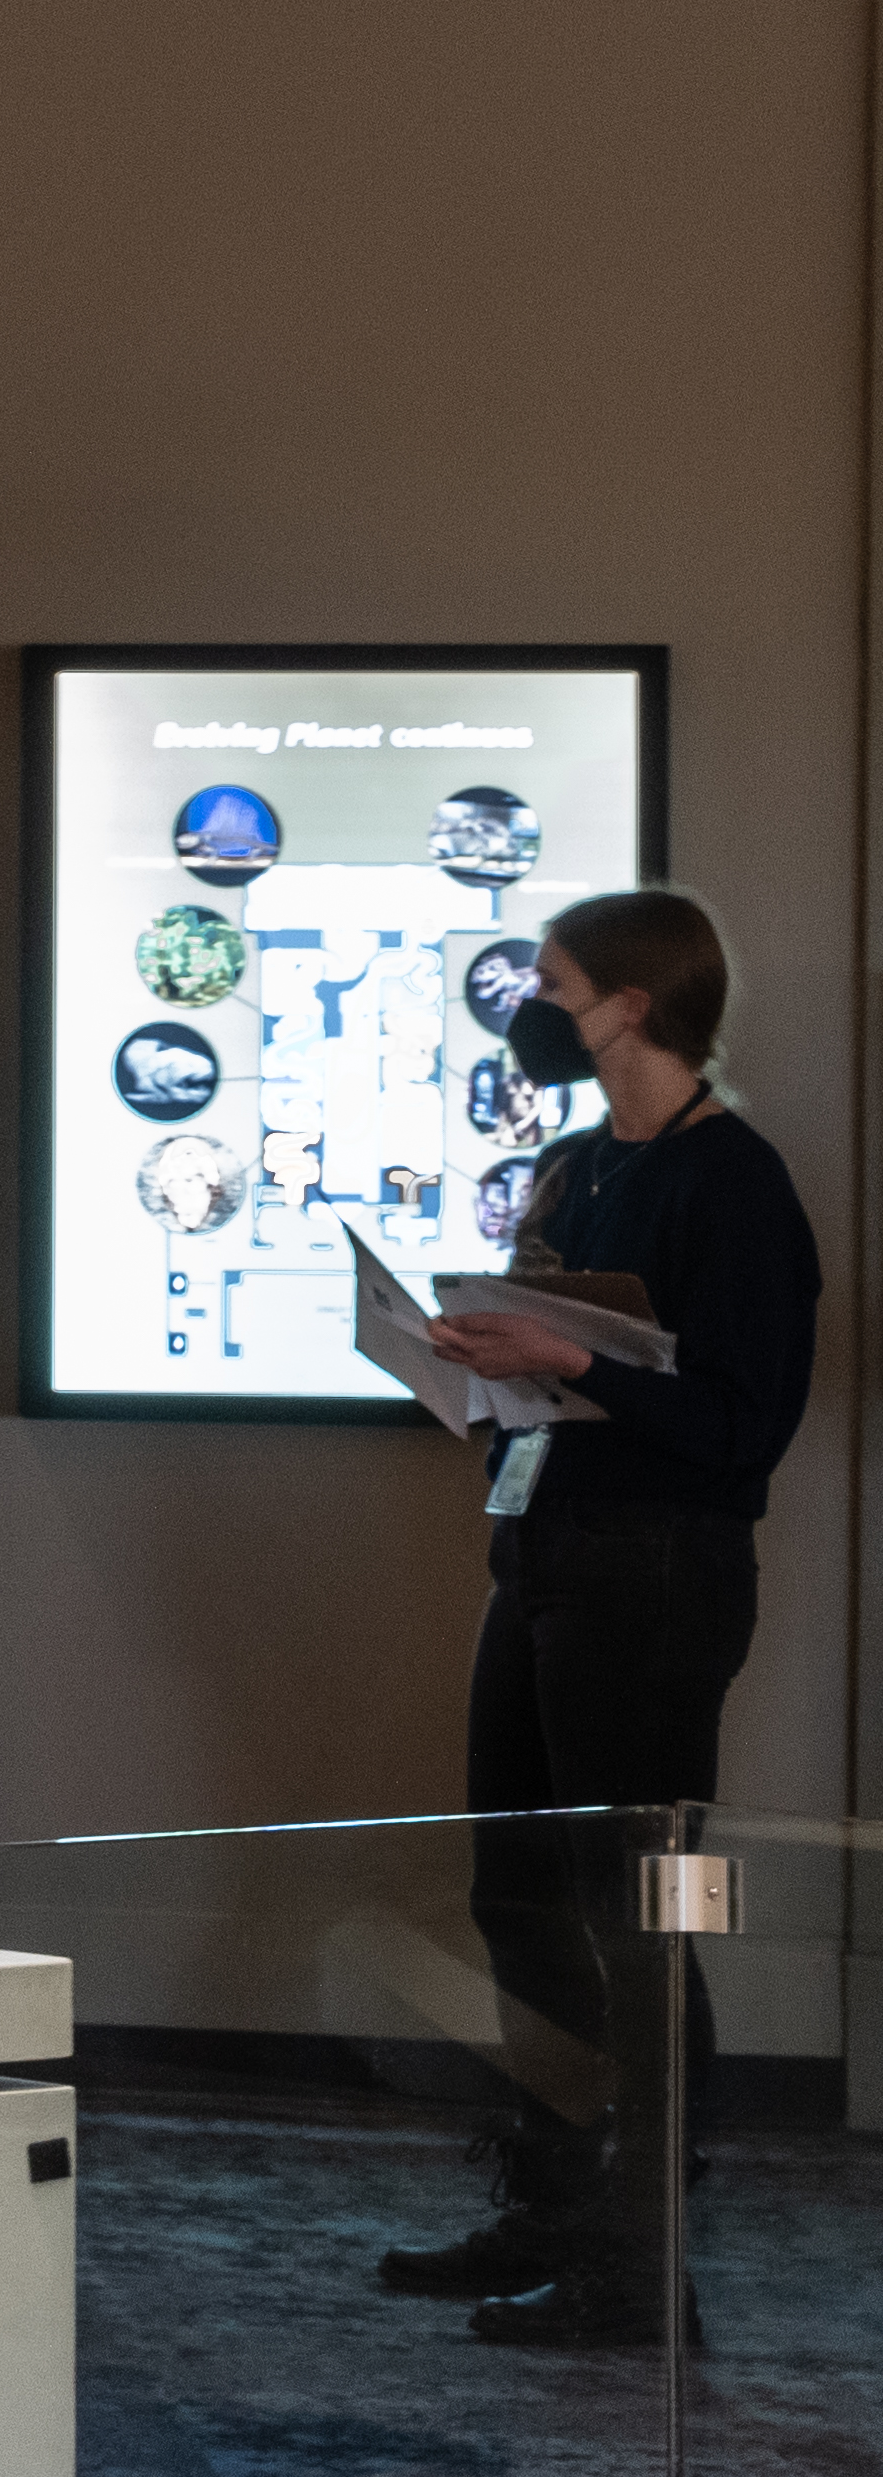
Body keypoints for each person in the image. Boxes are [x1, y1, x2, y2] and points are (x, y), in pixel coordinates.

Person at [400, 882, 824, 2348]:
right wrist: (472, 1361)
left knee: (634, 1914)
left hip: (656, 1575)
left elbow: (744, 1425)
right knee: (516, 1896)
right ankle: (555, 2204)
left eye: (558, 982)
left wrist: (568, 1365)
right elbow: (564, 1377)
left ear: (634, 1004)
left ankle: (644, 2265)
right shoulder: (580, 1166)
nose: (539, 1007)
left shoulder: (734, 1182)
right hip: (543, 1548)